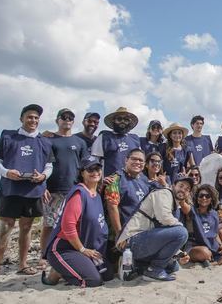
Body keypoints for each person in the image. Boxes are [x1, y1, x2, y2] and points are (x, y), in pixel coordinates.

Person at [0, 104, 54, 281]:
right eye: (30, 117)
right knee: (6, 227)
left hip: (33, 190)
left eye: (36, 118)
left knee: (26, 227)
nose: (33, 120)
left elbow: (49, 165)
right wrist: (7, 173)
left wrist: (43, 176)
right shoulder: (8, 136)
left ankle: (22, 265)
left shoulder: (44, 141)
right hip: (10, 189)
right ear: (21, 118)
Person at [42, 156, 109, 287]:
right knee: (94, 280)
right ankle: (58, 271)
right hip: (65, 247)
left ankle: (67, 268)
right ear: (82, 173)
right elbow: (68, 227)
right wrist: (83, 250)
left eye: (97, 168)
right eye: (90, 169)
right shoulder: (79, 193)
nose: (95, 172)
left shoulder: (96, 192)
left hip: (83, 245)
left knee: (108, 275)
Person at [115, 172, 190, 281]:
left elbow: (164, 235)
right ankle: (154, 271)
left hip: (143, 242)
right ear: (173, 186)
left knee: (174, 266)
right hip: (133, 241)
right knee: (182, 232)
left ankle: (135, 265)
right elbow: (164, 218)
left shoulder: (173, 203)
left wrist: (179, 254)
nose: (183, 190)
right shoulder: (164, 193)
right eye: (181, 186)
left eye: (187, 189)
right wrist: (181, 229)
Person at [40, 108, 89, 270]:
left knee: (72, 224)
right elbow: (42, 164)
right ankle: (44, 255)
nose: (67, 120)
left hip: (74, 189)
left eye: (70, 117)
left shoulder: (79, 142)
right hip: (53, 188)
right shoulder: (48, 139)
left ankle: (71, 251)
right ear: (57, 120)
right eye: (63, 117)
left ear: (73, 121)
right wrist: (42, 186)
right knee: (49, 224)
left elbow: (85, 166)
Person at [184, 184, 222, 266]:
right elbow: (183, 204)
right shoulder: (192, 211)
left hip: (212, 244)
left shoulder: (214, 214)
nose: (204, 198)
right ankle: (216, 258)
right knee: (205, 252)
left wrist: (221, 245)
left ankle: (218, 262)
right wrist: (184, 193)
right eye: (201, 196)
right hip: (196, 245)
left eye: (207, 196)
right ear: (197, 199)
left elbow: (215, 234)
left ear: (211, 199)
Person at [104, 148, 150, 239]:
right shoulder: (115, 179)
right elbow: (112, 207)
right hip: (124, 235)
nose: (137, 162)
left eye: (141, 160)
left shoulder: (144, 179)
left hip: (141, 231)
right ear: (126, 160)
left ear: (144, 164)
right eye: (134, 159)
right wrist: (120, 233)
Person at [91, 107, 141, 177]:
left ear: (130, 122)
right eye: (119, 119)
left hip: (131, 182)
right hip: (109, 182)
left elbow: (140, 162)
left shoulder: (135, 139)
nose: (122, 121)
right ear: (113, 121)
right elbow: (94, 161)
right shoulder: (104, 137)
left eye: (126, 119)